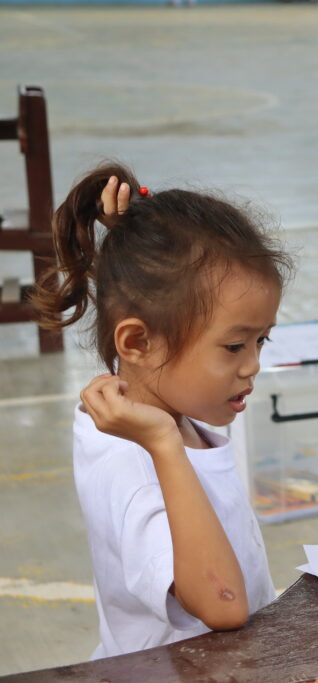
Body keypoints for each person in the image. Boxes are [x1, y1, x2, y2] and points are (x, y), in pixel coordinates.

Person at [32, 164, 292, 658]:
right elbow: (222, 605)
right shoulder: (131, 456)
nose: (254, 365)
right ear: (138, 342)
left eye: (262, 340)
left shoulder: (179, 411)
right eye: (235, 345)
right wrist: (164, 447)